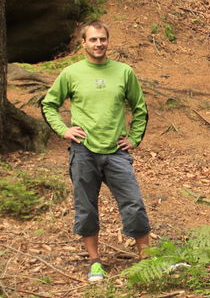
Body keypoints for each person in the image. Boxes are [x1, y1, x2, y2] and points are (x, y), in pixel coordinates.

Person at [41, 20, 152, 283]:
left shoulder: (124, 72)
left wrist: (134, 138)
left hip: (116, 152)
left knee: (134, 204)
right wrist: (63, 130)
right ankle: (95, 262)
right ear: (84, 43)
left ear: (108, 41)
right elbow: (49, 105)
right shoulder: (71, 73)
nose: (98, 44)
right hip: (84, 152)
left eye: (102, 39)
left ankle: (147, 261)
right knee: (86, 208)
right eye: (93, 40)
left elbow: (140, 108)